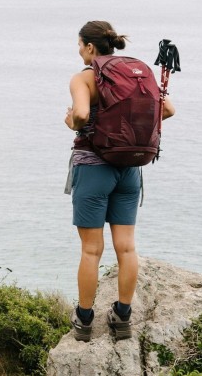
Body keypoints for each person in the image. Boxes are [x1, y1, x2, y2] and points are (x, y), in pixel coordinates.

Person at [64, 20, 175, 341]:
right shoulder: (136, 72)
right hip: (130, 169)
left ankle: (85, 320)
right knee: (126, 249)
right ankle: (122, 316)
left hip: (93, 168)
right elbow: (167, 109)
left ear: (88, 47)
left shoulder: (84, 77)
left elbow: (82, 116)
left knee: (91, 250)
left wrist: (71, 120)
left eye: (79, 44)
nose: (78, 49)